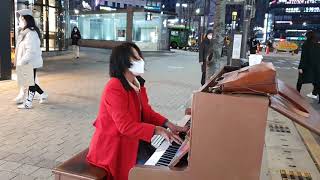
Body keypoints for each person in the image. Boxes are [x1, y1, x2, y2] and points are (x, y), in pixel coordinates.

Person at [86, 42, 188, 180]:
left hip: (134, 143)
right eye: (135, 58)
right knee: (155, 174)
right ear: (123, 63)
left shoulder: (137, 83)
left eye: (139, 56)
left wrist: (170, 125)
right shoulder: (114, 87)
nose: (141, 60)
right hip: (114, 149)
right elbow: (125, 127)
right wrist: (159, 130)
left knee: (168, 166)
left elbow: (147, 113)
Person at [15, 9, 48, 109]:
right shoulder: (25, 32)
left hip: (29, 61)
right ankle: (42, 94)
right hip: (27, 61)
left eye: (21, 19)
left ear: (25, 20)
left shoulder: (31, 33)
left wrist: (22, 61)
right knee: (31, 82)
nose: (19, 21)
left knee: (30, 83)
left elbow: (31, 51)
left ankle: (28, 103)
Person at [296, 31, 320, 102]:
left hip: (306, 66)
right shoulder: (318, 45)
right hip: (317, 67)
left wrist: (300, 67)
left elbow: (303, 57)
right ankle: (317, 97)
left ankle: (297, 94)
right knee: (317, 81)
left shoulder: (306, 44)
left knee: (300, 81)